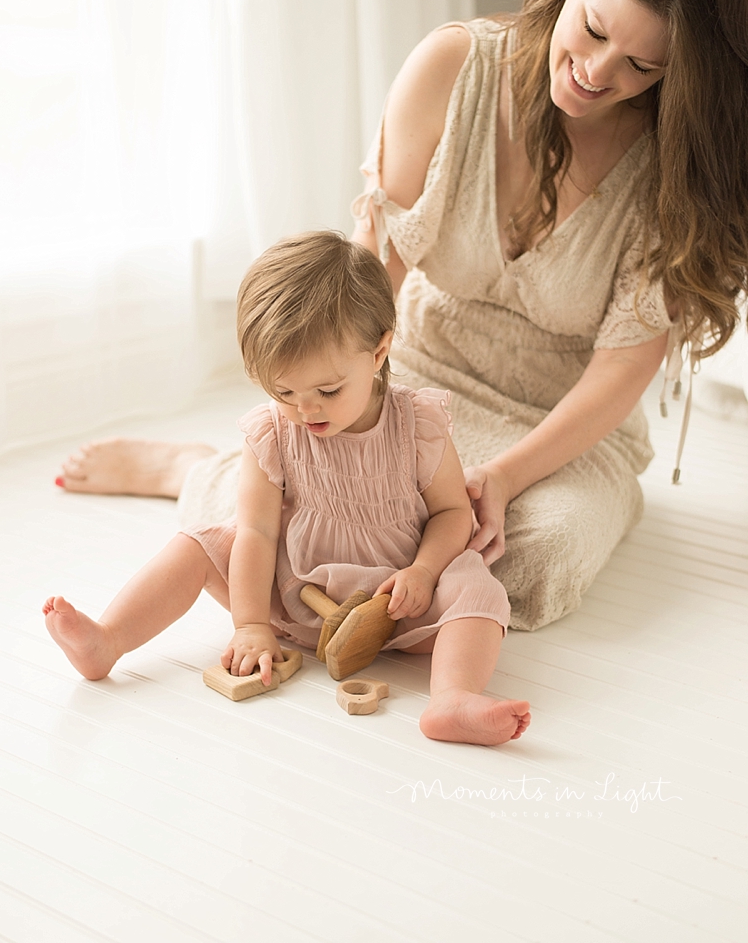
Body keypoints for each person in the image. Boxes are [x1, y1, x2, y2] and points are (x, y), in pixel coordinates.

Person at [56, 0, 748, 632]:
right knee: (294, 506)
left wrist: (503, 478)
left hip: (562, 422)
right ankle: (199, 470)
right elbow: (374, 265)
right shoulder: (455, 67)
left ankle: (287, 528)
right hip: (414, 370)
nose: (597, 72)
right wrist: (353, 384)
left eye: (640, 66)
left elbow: (625, 365)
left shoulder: (676, 165)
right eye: (594, 31)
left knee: (528, 554)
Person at [44, 231, 530, 747]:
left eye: (327, 390)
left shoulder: (419, 425)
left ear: (379, 351)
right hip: (297, 595)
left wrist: (425, 571)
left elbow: (453, 513)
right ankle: (108, 639)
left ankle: (452, 697)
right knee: (200, 544)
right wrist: (251, 623)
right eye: (284, 392)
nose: (307, 410)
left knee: (476, 584)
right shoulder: (272, 433)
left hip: (401, 606)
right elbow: (255, 530)